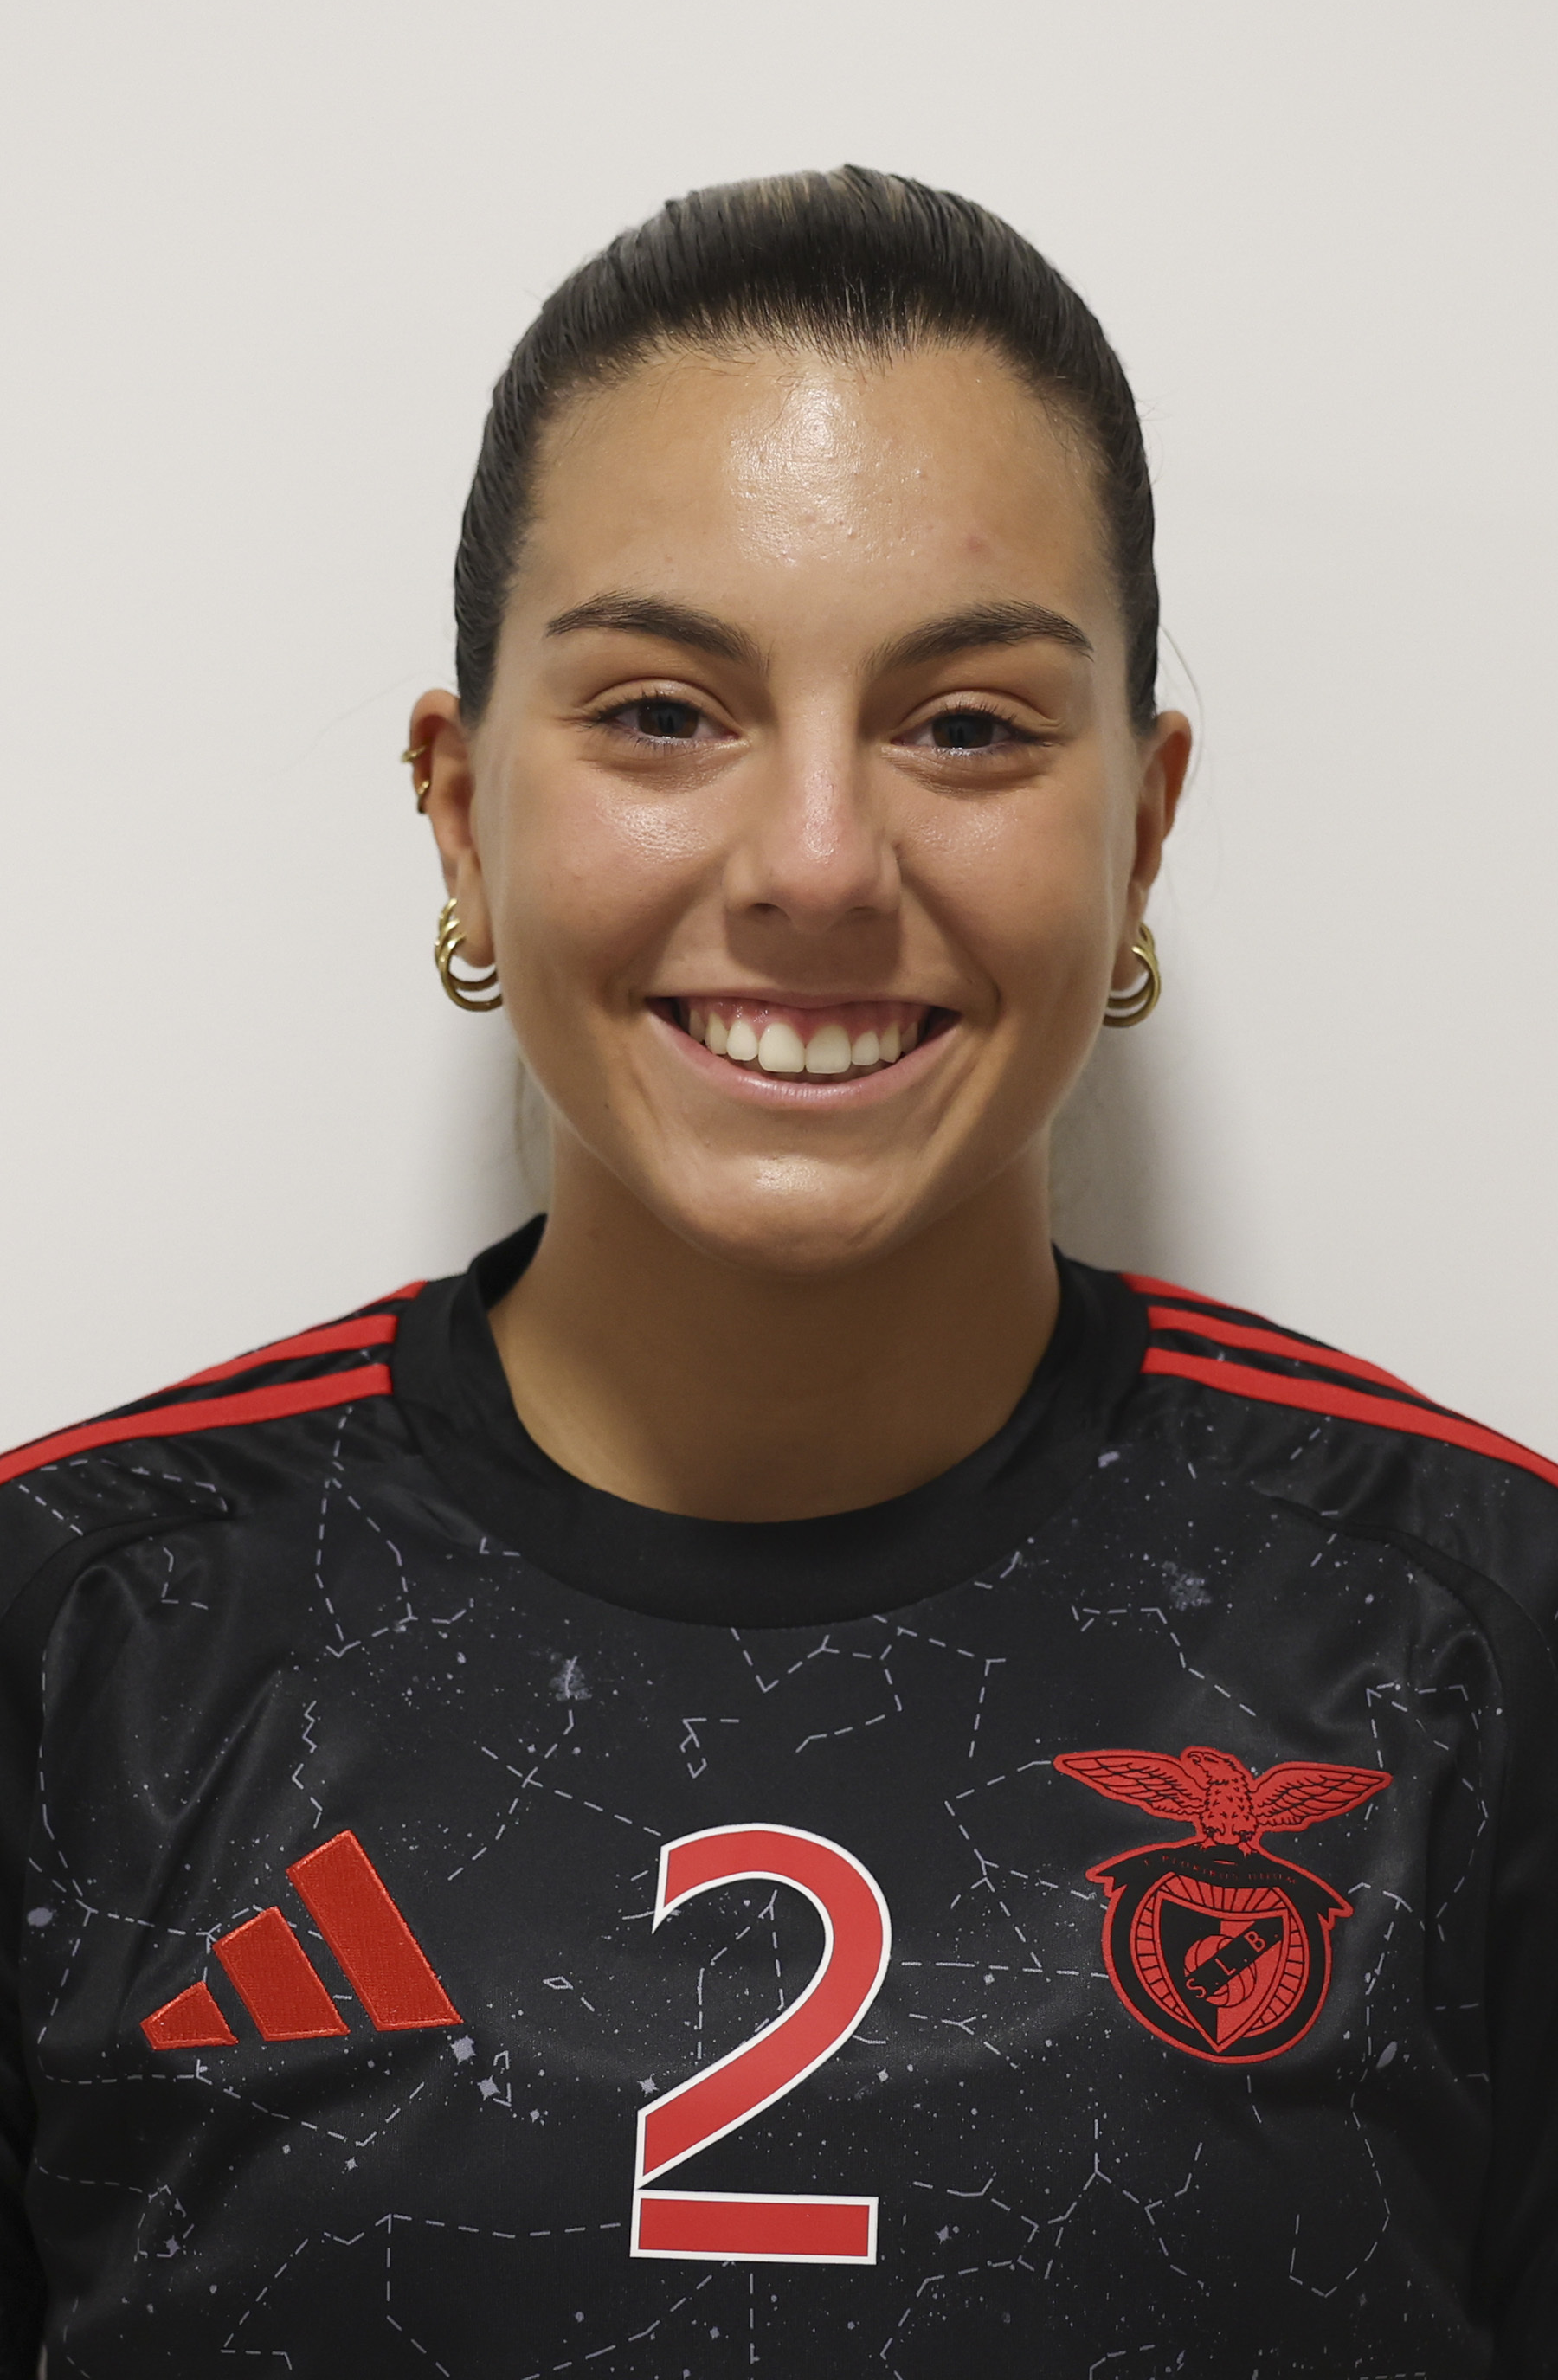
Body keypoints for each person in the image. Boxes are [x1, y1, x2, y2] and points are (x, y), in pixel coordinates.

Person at [0, 167, 1552, 2380]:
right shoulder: (83, 1638)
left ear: (1141, 828)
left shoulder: (1477, 1642)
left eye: (968, 725)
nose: (819, 862)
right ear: (459, 809)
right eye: (662, 711)